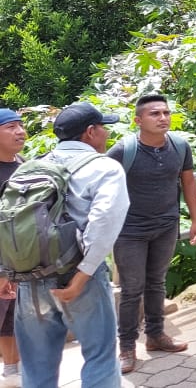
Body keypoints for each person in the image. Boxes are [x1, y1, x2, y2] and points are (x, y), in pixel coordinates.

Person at [0, 102, 128, 388]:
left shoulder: (32, 165)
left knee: (36, 367)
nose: (106, 134)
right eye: (103, 128)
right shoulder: (105, 167)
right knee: (100, 357)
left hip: (29, 281)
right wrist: (82, 276)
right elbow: (103, 223)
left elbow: (8, 220)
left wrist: (5, 272)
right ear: (91, 132)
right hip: (78, 277)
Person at [107, 95, 196, 374]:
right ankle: (126, 346)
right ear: (138, 120)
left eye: (166, 112)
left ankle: (156, 336)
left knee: (156, 283)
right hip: (129, 231)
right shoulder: (123, 150)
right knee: (131, 289)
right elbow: (100, 186)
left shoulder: (180, 145)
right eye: (154, 114)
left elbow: (188, 181)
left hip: (166, 225)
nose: (162, 118)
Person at [0, 109, 25, 386]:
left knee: (11, 319)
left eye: (20, 125)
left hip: (19, 260)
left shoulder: (22, 164)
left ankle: (11, 372)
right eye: (10, 127)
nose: (19, 131)